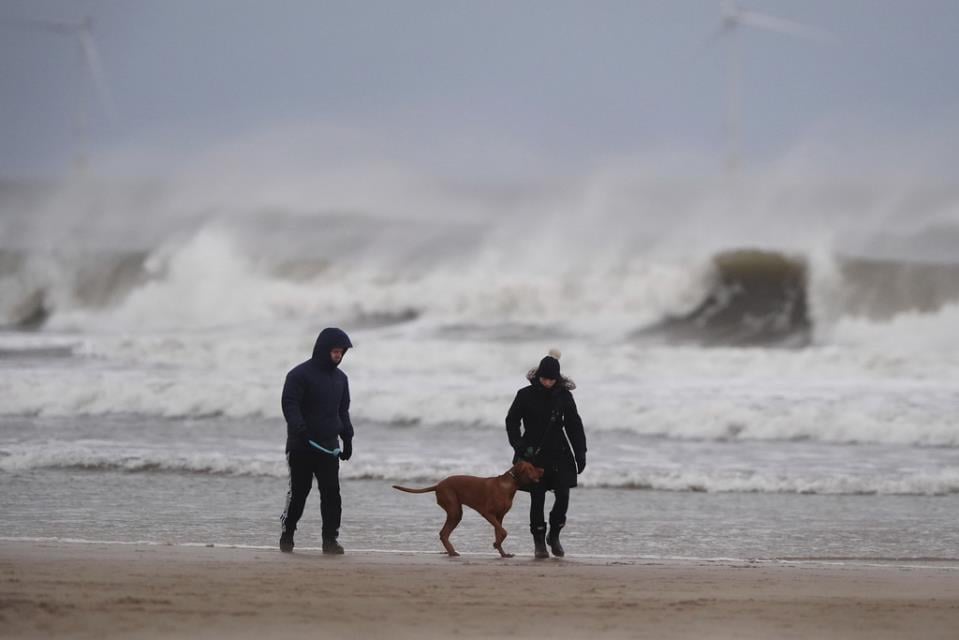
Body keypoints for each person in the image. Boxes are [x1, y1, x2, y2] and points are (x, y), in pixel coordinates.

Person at [279, 327, 355, 554]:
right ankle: (288, 533)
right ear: (323, 350)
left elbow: (343, 411)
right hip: (301, 445)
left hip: (329, 446)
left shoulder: (341, 379)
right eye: (335, 351)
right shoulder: (298, 375)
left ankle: (330, 540)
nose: (338, 355)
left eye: (342, 352)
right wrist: (299, 429)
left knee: (332, 494)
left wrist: (347, 438)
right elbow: (289, 405)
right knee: (299, 493)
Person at [505, 350, 587, 558]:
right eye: (544, 378)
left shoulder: (565, 397)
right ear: (538, 376)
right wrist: (518, 445)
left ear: (557, 378)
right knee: (537, 498)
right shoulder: (524, 395)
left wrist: (580, 453)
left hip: (559, 454)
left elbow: (574, 426)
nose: (547, 382)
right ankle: (539, 542)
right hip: (532, 455)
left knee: (563, 497)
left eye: (551, 379)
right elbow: (511, 421)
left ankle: (555, 535)